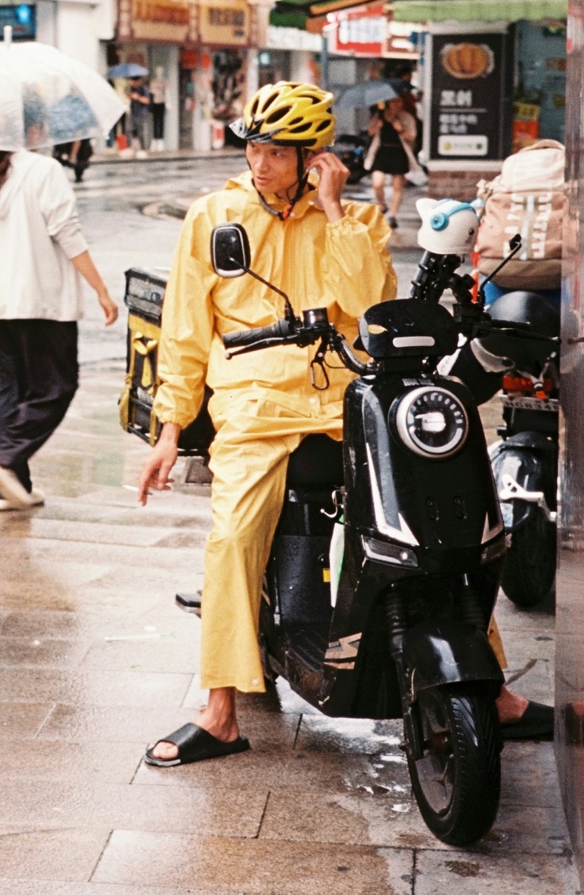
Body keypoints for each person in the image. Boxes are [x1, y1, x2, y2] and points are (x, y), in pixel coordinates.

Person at [135, 81, 550, 766]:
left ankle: (492, 689)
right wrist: (169, 428)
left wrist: (331, 210)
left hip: (344, 398)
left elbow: (371, 308)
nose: (259, 162)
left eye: (276, 151)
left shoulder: (355, 219)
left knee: (434, 516)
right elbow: (184, 330)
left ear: (313, 157)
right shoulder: (213, 215)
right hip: (253, 401)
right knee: (233, 535)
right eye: (253, 147)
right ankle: (219, 709)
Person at [0, 147, 119, 511]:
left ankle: (12, 488)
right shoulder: (44, 170)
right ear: (31, 129)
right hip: (42, 300)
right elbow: (68, 233)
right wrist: (101, 290)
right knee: (56, 386)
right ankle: (8, 457)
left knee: (9, 392)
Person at [365, 99, 415, 228]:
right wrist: (377, 126)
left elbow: (412, 137)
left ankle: (393, 215)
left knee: (397, 186)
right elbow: (370, 132)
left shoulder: (406, 117)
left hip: (398, 153)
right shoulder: (380, 115)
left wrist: (400, 129)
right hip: (382, 152)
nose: (396, 105)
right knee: (377, 183)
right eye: (393, 102)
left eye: (398, 102)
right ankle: (382, 205)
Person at [128, 76, 152, 156]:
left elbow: (147, 101)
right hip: (133, 112)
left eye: (134, 81)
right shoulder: (132, 88)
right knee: (131, 130)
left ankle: (143, 149)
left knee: (141, 132)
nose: (132, 83)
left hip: (141, 113)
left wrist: (137, 97)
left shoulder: (143, 88)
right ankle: (134, 148)